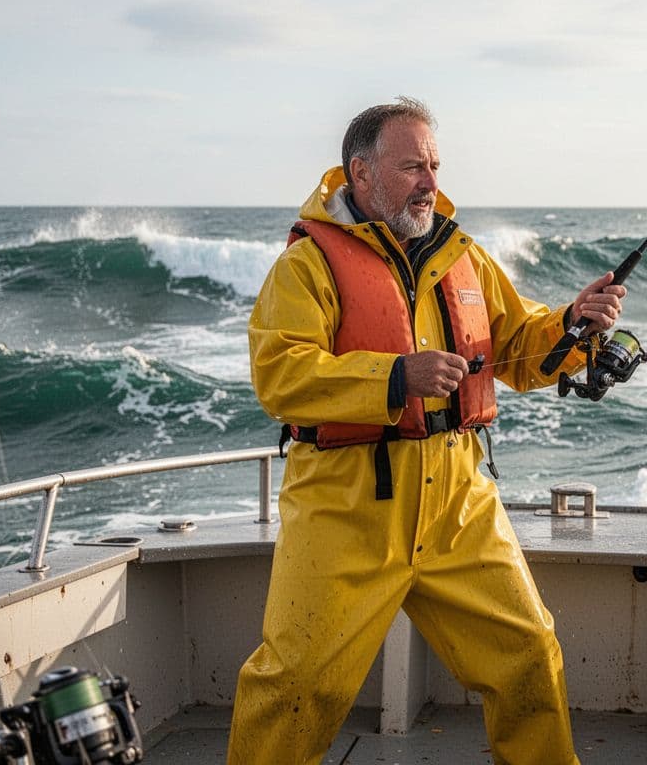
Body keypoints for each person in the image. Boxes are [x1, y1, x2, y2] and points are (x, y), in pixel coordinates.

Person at [231, 97, 626, 764]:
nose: (430, 182)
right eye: (413, 165)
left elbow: (522, 348)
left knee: (529, 653)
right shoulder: (306, 266)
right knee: (293, 684)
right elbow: (281, 375)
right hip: (345, 509)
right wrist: (394, 378)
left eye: (434, 165)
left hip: (459, 504)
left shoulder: (463, 256)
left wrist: (572, 326)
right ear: (361, 173)